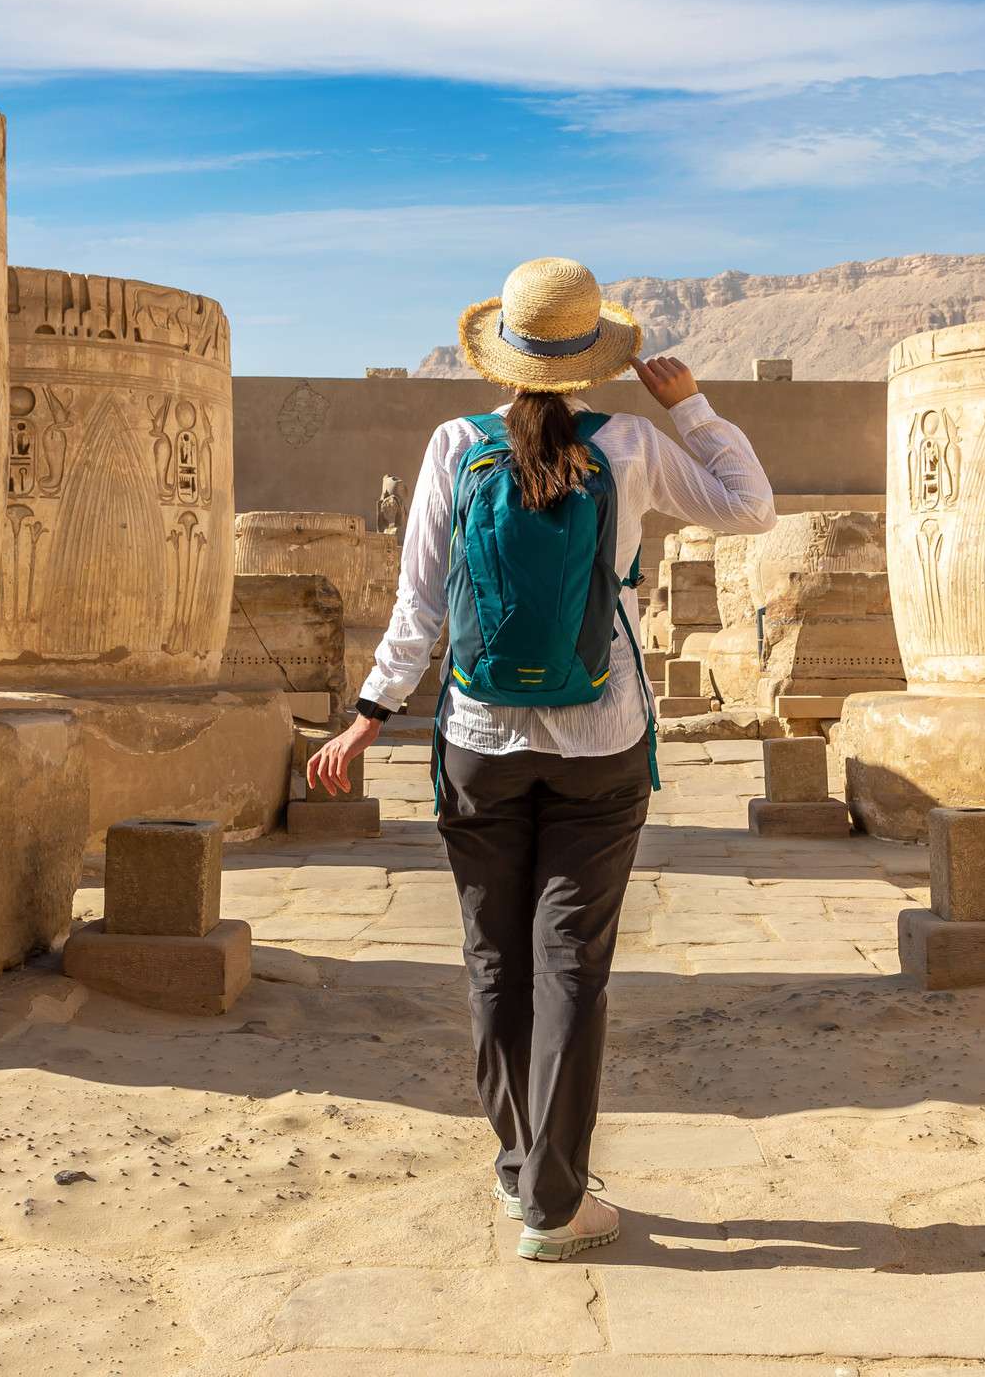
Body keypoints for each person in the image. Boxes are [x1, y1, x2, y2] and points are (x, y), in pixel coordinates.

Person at [306, 256, 774, 1261]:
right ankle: (555, 1202)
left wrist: (368, 715)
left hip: (478, 742)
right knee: (571, 966)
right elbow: (752, 508)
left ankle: (520, 1160)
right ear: (593, 360)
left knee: (494, 959)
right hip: (602, 740)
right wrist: (692, 408)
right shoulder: (632, 445)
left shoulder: (454, 444)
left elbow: (420, 604)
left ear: (504, 356)